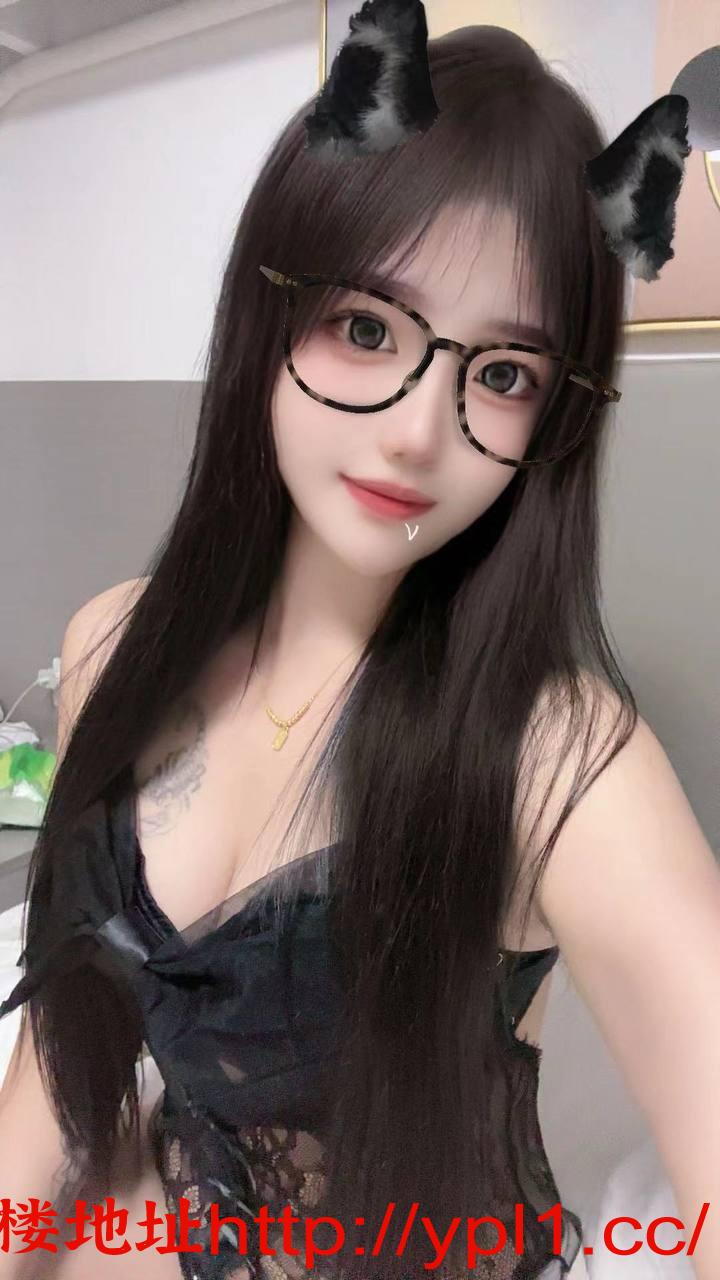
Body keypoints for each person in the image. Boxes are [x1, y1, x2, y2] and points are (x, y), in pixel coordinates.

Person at [1, 12, 718, 1280]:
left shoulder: (561, 760)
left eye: (503, 374)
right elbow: (62, 1060)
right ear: (268, 310)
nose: (417, 431)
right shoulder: (112, 640)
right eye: (371, 328)